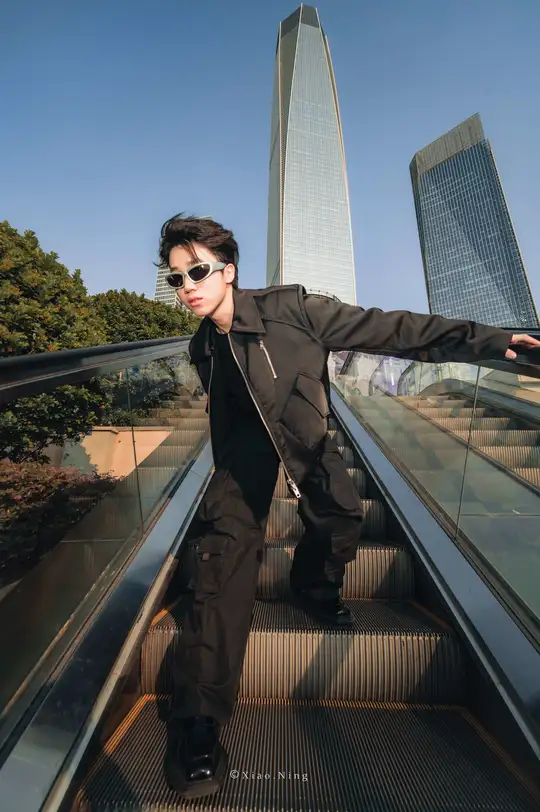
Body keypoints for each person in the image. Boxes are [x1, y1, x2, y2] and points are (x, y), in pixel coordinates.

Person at [157, 213, 540, 799]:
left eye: (198, 271)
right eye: (176, 278)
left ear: (228, 271)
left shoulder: (293, 309)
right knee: (221, 563)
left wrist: (490, 341)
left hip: (309, 440)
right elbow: (225, 416)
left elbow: (391, 329)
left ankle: (314, 587)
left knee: (340, 517)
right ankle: (198, 724)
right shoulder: (202, 346)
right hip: (244, 459)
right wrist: (227, 491)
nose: (187, 287)